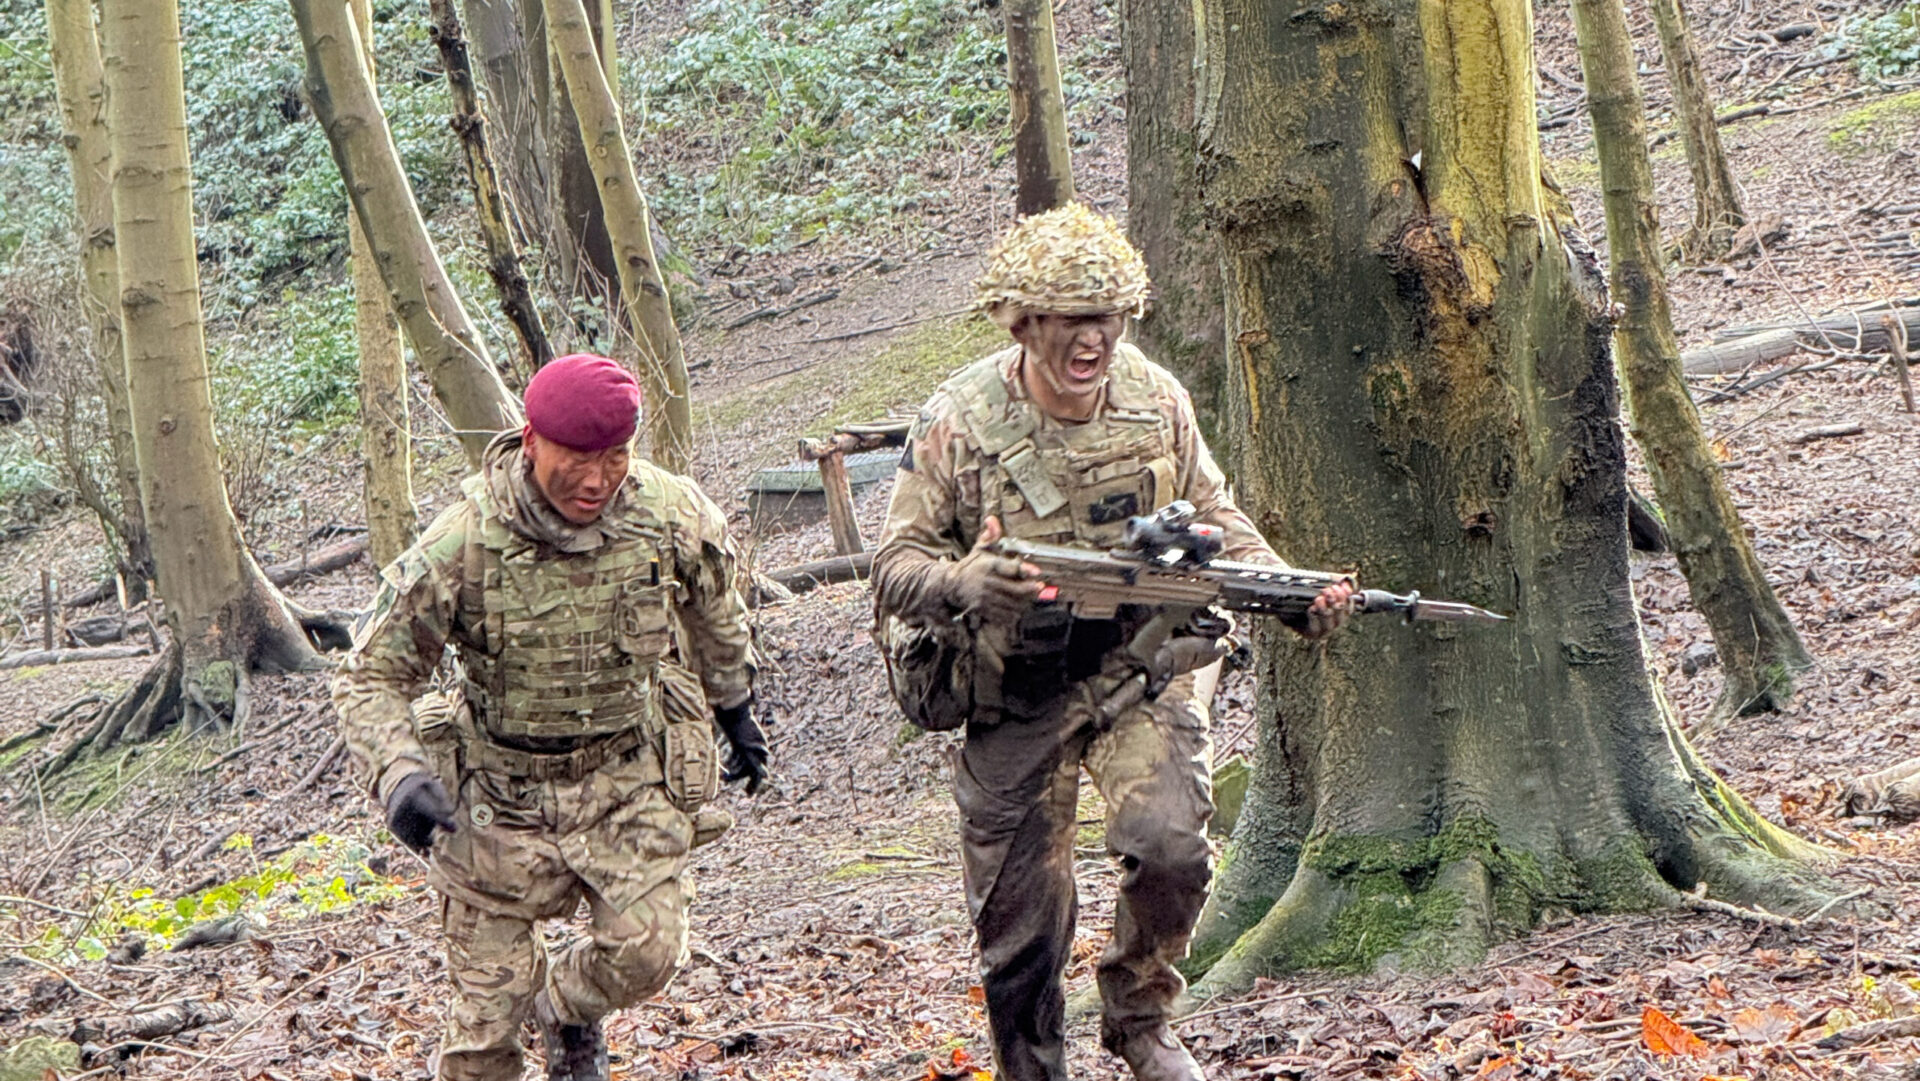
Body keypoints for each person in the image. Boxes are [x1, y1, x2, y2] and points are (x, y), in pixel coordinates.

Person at [871, 205, 1352, 1081]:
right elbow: (893, 564)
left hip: (1138, 669)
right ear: (1023, 322)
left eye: (1108, 317)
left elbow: (1213, 514)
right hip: (1015, 687)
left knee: (1173, 849)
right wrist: (962, 582)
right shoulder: (961, 420)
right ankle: (1034, 1065)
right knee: (1020, 931)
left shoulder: (1154, 397)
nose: (1093, 339)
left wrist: (1286, 586)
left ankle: (1140, 1013)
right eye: (1070, 320)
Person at [332, 354, 768, 1081]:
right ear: (531, 440)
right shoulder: (464, 541)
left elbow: (716, 611)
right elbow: (367, 672)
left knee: (649, 949)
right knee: (480, 1046)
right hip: (497, 802)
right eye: (577, 461)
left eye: (616, 458)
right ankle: (516, 1018)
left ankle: (563, 1008)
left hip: (624, 780)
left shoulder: (668, 514)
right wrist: (400, 772)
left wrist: (734, 702)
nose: (597, 482)